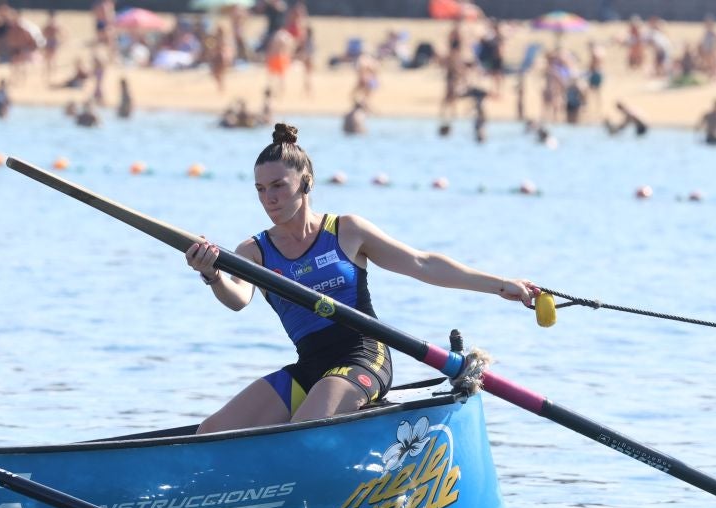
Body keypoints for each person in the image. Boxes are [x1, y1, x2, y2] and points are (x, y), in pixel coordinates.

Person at [185, 123, 538, 434]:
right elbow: (237, 299)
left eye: (278, 185)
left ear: (306, 182)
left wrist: (499, 284)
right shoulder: (254, 251)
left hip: (364, 356)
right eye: (261, 189)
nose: (269, 198)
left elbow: (422, 263)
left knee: (302, 428)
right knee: (209, 433)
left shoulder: (346, 231)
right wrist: (212, 275)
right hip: (310, 367)